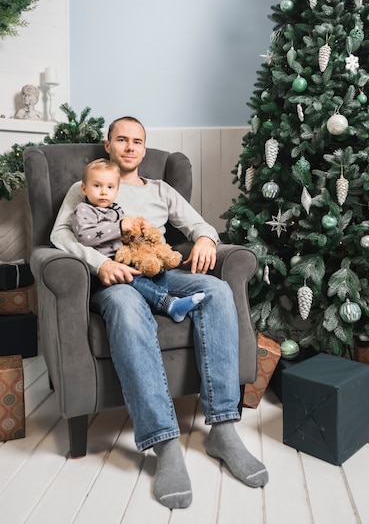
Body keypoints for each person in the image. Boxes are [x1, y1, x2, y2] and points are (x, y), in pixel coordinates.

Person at [51, 116, 268, 509]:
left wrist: (204, 238)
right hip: (112, 281)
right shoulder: (85, 186)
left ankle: (223, 428)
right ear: (108, 145)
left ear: (144, 149)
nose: (130, 147)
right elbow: (60, 234)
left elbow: (199, 223)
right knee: (126, 306)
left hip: (162, 272)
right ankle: (165, 443)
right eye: (122, 139)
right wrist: (100, 265)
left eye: (137, 141)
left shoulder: (161, 189)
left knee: (217, 290)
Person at [71, 157, 205, 322]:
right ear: (84, 188)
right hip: (105, 270)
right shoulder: (84, 210)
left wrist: (138, 230)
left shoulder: (115, 209)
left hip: (125, 258)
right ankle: (167, 304)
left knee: (153, 270)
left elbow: (125, 234)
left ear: (117, 191)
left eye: (110, 187)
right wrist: (120, 227)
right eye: (97, 186)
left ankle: (161, 299)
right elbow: (84, 236)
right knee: (132, 278)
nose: (104, 191)